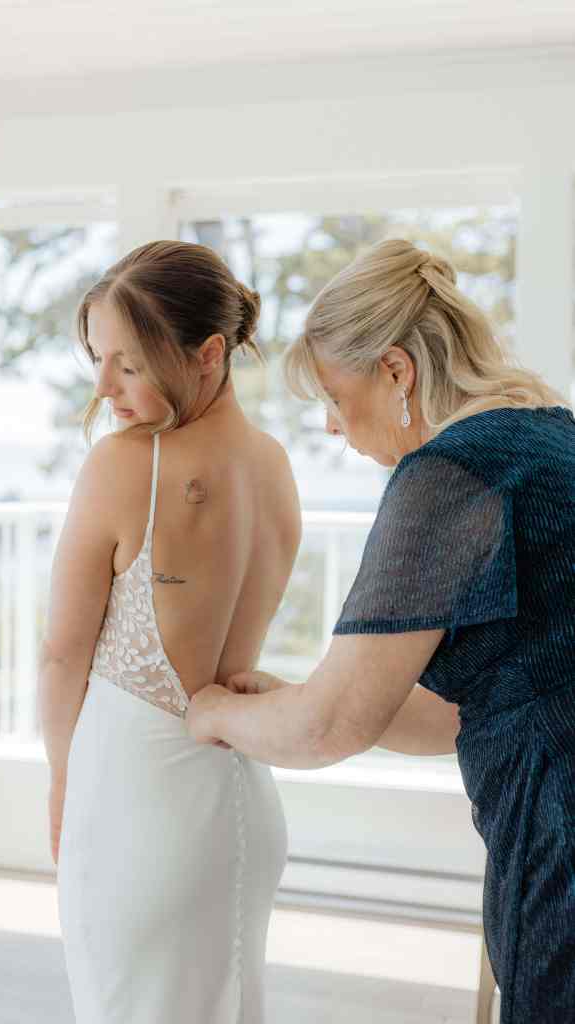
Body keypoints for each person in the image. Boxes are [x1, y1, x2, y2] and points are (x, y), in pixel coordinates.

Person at [186, 238, 575, 1024]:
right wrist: (298, 695)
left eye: (334, 397)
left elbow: (329, 728)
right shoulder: (551, 437)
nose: (332, 428)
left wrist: (211, 712)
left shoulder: (447, 474)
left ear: (396, 371)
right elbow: (467, 705)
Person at [37, 240, 301, 1023]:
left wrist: (61, 780)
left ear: (209, 353)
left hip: (137, 805)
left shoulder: (125, 465)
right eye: (98, 359)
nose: (104, 386)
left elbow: (61, 654)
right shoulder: (274, 464)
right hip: (241, 804)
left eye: (129, 362)